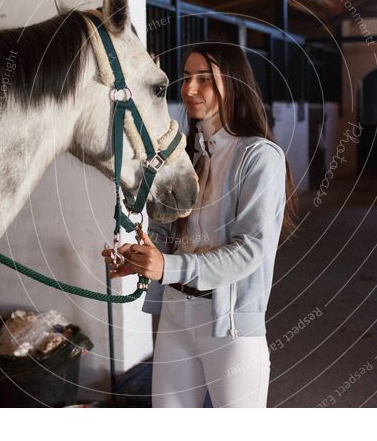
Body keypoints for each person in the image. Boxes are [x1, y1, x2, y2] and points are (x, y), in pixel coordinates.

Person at [102, 42, 297, 408]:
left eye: (205, 79)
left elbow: (251, 249)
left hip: (229, 328)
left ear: (234, 84)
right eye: (187, 77)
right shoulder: (184, 154)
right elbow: (167, 233)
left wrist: (169, 267)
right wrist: (142, 257)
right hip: (176, 315)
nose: (190, 89)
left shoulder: (259, 157)